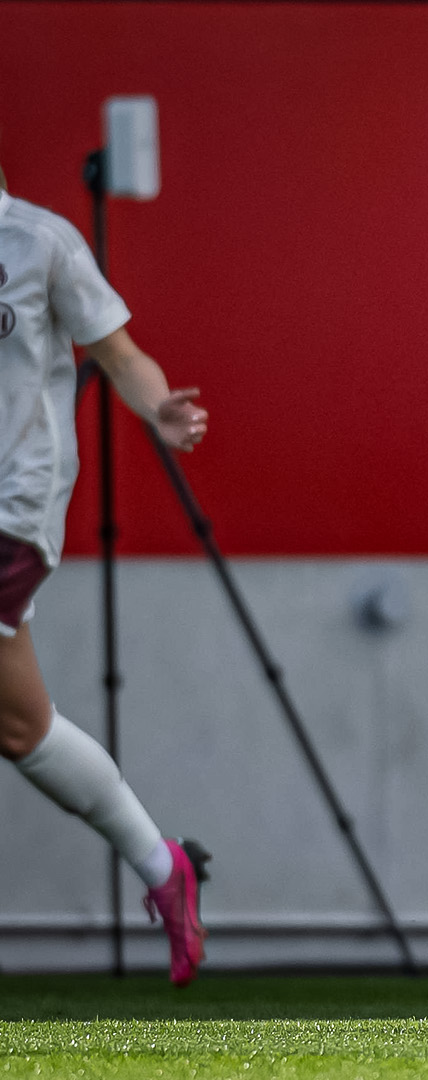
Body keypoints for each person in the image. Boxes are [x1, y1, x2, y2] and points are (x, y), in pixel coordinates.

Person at [0, 166, 211, 985]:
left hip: (14, 510)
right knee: (21, 729)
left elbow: (120, 353)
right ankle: (165, 866)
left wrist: (158, 408)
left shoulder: (41, 241)